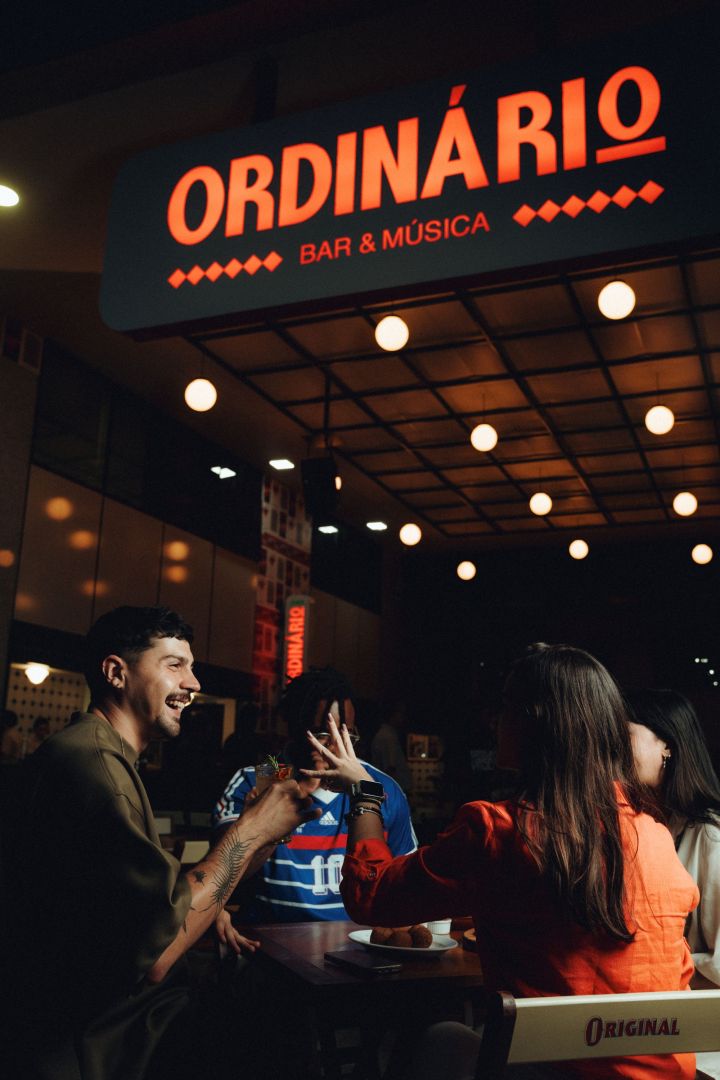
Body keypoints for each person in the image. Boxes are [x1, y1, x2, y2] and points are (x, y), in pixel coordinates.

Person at [302, 644, 700, 1080]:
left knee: (436, 1038)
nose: (495, 721)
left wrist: (364, 794)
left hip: (549, 1072)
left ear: (532, 723)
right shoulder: (657, 837)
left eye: (505, 707)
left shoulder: (499, 832)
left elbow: (371, 896)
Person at [0, 605, 319, 1080]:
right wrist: (252, 828)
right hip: (103, 1038)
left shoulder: (99, 752)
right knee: (288, 1026)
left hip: (112, 1021)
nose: (193, 683)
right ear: (115, 673)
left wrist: (259, 840)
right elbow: (160, 951)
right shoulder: (96, 766)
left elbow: (165, 901)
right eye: (174, 665)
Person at [213, 666, 416, 922]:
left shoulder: (379, 786)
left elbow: (403, 883)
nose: (334, 745)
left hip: (356, 945)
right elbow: (220, 881)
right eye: (321, 734)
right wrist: (280, 814)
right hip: (267, 946)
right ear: (296, 729)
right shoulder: (258, 778)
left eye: (346, 734)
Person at [626, 687, 720, 1079]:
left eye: (623, 737)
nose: (610, 751)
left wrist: (653, 964)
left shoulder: (709, 838)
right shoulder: (641, 828)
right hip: (648, 1023)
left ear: (666, 745)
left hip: (697, 1036)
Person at [370, 698, 413, 794]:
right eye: (401, 713)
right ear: (393, 714)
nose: (403, 717)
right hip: (396, 791)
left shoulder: (387, 734)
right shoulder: (388, 737)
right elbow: (389, 769)